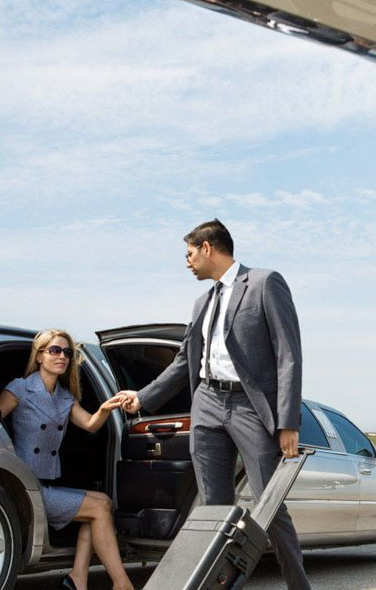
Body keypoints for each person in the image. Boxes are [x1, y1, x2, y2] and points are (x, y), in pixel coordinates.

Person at [118, 218, 310, 589]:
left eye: (189, 254)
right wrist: (142, 397)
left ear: (207, 248)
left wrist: (288, 421)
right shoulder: (201, 301)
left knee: (269, 505)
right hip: (205, 402)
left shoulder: (264, 283)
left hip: (249, 406)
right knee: (211, 509)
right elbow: (183, 361)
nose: (187, 262)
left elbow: (289, 354)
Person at [0, 329, 134, 590]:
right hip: (24, 486)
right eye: (55, 350)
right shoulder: (20, 388)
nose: (62, 357)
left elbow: (91, 425)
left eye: (67, 352)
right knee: (98, 509)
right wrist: (1, 453)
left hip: (44, 484)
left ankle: (78, 579)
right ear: (39, 356)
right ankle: (121, 584)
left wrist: (106, 407)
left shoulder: (65, 398)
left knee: (101, 504)